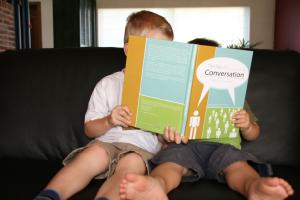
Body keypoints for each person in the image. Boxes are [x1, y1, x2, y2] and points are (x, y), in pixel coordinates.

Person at [119, 38, 294, 200]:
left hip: (223, 148)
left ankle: (254, 187)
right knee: (171, 163)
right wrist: (166, 136)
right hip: (185, 146)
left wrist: (247, 126)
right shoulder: (179, 97)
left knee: (236, 165)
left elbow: (254, 134)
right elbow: (163, 137)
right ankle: (157, 186)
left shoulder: (234, 97)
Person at [34, 10, 174, 200]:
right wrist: (109, 120)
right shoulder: (108, 83)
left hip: (140, 150)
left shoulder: (165, 90)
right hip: (107, 142)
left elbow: (163, 143)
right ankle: (49, 196)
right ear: (129, 50)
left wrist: (167, 138)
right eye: (154, 50)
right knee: (89, 157)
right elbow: (89, 129)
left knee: (130, 167)